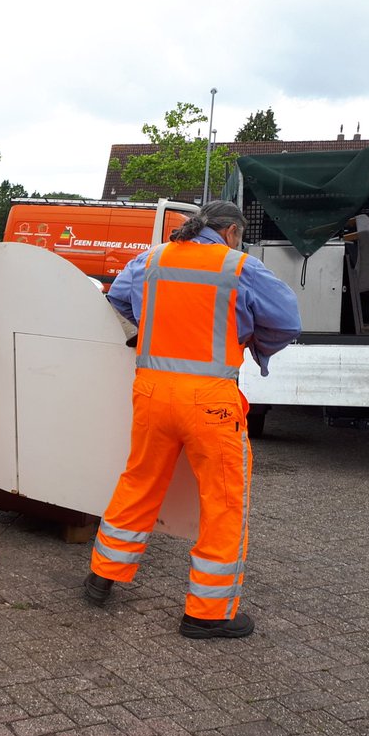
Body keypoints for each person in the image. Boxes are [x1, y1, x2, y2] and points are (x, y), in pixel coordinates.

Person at [84, 200, 301, 637]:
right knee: (223, 503)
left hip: (151, 391)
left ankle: (102, 576)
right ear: (232, 232)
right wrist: (252, 341)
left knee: (139, 482)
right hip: (211, 400)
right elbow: (287, 321)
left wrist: (154, 327)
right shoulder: (239, 267)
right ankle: (207, 613)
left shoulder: (151, 259)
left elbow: (119, 299)